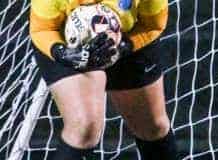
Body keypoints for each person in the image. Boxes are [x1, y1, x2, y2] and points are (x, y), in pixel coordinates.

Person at [30, 0, 178, 159]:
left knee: (153, 128)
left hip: (130, 34)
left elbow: (153, 25)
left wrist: (123, 47)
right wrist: (63, 54)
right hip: (63, 40)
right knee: (84, 127)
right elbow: (42, 29)